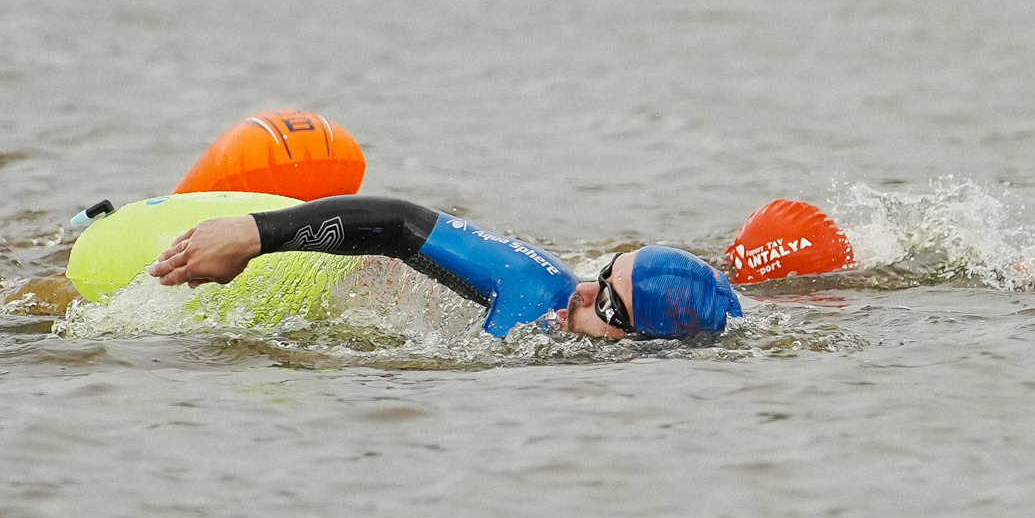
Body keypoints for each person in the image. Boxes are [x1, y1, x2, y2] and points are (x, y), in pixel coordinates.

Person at [147, 194, 744, 341]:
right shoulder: (539, 287)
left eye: (609, 306)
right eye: (606, 270)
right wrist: (255, 234)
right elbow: (402, 223)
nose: (584, 291)